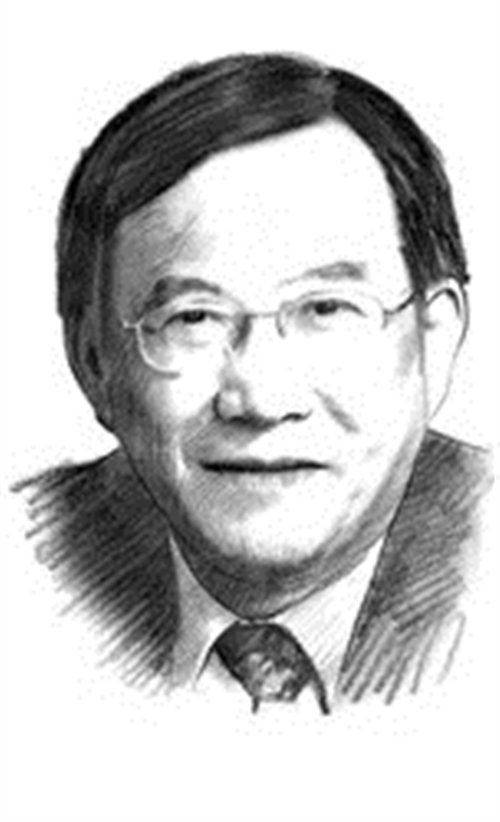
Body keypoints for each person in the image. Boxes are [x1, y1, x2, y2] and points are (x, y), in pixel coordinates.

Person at [23, 52, 491, 713]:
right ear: (94, 362)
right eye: (193, 318)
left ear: (435, 342)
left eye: (327, 309)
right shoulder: (27, 562)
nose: (262, 400)